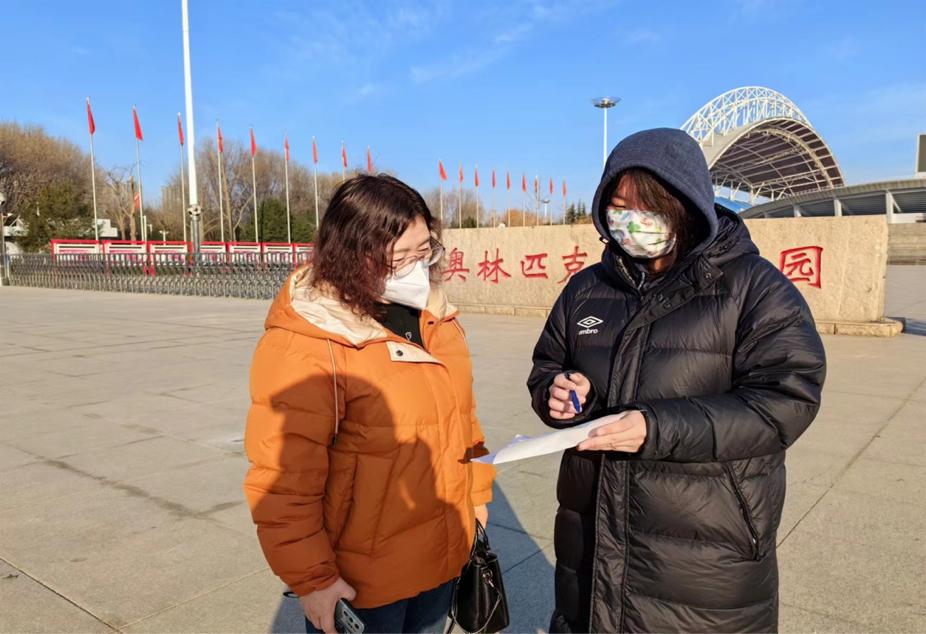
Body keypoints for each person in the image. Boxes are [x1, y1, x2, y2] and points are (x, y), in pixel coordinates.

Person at [528, 128, 826, 633]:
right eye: (617, 206)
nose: (629, 221)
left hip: (704, 548)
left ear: (686, 206)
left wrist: (656, 428)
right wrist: (557, 393)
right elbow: (547, 365)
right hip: (593, 535)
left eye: (646, 207)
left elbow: (786, 400)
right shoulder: (586, 289)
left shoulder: (755, 287)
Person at [244, 174, 495, 634]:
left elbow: (464, 419)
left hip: (441, 558)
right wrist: (313, 580)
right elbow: (283, 480)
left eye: (426, 251)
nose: (417, 269)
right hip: (363, 582)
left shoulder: (436, 319)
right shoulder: (309, 340)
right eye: (401, 258)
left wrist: (477, 498)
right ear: (352, 253)